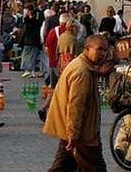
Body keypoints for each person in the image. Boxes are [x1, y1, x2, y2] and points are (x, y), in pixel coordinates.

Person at [43, 35, 110, 171]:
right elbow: (75, 107)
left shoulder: (84, 65)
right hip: (82, 135)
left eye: (105, 50)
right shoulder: (82, 71)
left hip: (76, 132)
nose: (103, 54)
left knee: (63, 167)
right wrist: (73, 135)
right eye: (99, 49)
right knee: (96, 168)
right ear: (87, 49)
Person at [20, 3, 43, 78]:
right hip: (35, 41)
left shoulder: (30, 21)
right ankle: (31, 71)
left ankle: (28, 70)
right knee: (33, 56)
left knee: (26, 55)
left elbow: (26, 30)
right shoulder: (37, 20)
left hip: (29, 40)